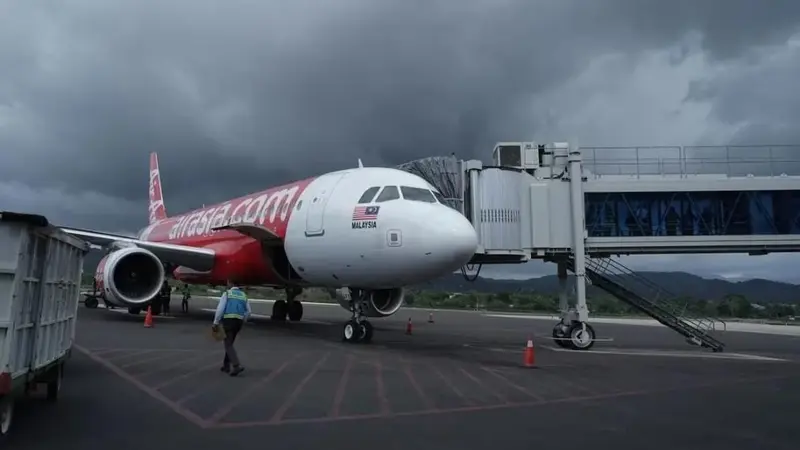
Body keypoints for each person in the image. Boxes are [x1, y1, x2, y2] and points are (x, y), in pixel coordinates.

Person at [212, 280, 251, 376]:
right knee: (230, 343)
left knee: (228, 344)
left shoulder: (227, 294)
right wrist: (243, 319)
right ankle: (226, 366)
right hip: (238, 322)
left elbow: (220, 309)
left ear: (231, 284)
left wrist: (215, 322)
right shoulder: (243, 295)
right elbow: (249, 311)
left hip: (228, 321)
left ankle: (236, 365)